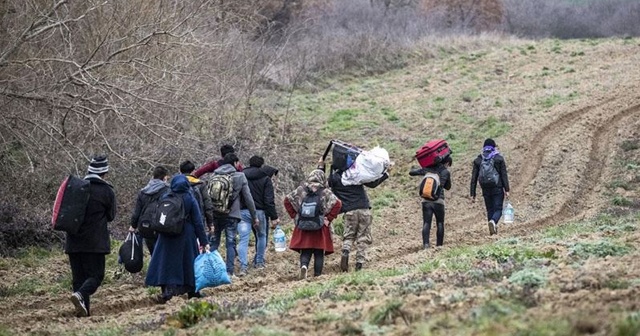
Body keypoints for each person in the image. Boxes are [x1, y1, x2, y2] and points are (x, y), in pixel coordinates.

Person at [145, 174, 209, 303]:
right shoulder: (190, 198)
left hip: (166, 235)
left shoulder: (166, 196)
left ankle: (167, 290)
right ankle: (193, 291)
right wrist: (204, 241)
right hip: (186, 235)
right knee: (189, 263)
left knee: (167, 263)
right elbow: (198, 222)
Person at [66, 155, 116, 317]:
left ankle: (83, 311)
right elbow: (111, 216)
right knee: (96, 276)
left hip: (73, 241)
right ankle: (80, 297)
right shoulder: (106, 191)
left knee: (78, 279)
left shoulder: (75, 187)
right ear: (105, 173)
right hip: (95, 243)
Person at [321, 159, 389, 272]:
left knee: (349, 236)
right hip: (364, 209)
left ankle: (346, 250)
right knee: (363, 237)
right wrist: (385, 173)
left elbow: (323, 183)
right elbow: (372, 183)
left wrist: (322, 167)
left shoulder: (335, 179)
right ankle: (359, 263)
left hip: (349, 212)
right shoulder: (356, 174)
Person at [284, 169, 342, 279]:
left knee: (305, 250)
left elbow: (287, 200)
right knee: (319, 252)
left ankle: (304, 266)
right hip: (320, 226)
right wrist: (328, 219)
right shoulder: (325, 191)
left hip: (303, 225)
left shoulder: (301, 190)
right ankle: (317, 275)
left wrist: (295, 216)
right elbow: (338, 204)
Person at [208, 153, 258, 277]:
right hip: (232, 214)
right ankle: (229, 271)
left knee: (214, 242)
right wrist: (254, 216)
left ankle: (211, 270)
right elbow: (248, 198)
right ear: (235, 163)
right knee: (230, 242)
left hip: (215, 213)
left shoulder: (215, 175)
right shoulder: (240, 176)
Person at [238, 156, 280, 272]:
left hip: (243, 212)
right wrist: (274, 217)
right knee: (261, 236)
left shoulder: (241, 175)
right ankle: (259, 262)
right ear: (261, 165)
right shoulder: (265, 178)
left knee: (243, 239)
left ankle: (243, 266)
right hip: (260, 212)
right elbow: (268, 200)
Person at [409, 156, 452, 249]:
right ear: (447, 163)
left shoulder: (428, 169)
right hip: (439, 201)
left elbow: (411, 173)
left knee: (426, 223)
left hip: (426, 200)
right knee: (440, 223)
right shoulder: (445, 172)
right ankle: (439, 245)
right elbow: (448, 187)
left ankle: (426, 244)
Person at [470, 138, 510, 235]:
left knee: (490, 209)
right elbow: (503, 175)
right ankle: (493, 222)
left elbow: (474, 178)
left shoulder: (478, 160)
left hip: (485, 189)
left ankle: (492, 232)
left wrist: (472, 194)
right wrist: (507, 189)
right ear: (494, 147)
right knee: (498, 209)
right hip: (497, 187)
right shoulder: (498, 158)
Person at [129, 166, 169, 255]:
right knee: (160, 254)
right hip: (160, 227)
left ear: (153, 176)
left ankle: (152, 266)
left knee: (152, 252)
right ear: (165, 177)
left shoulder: (143, 191)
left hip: (145, 226)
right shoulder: (167, 191)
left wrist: (133, 225)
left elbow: (137, 211)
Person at [179, 160, 214, 232]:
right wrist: (210, 222)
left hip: (178, 221)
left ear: (180, 171)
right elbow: (207, 203)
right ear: (193, 171)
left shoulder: (174, 185)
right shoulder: (200, 184)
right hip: (198, 219)